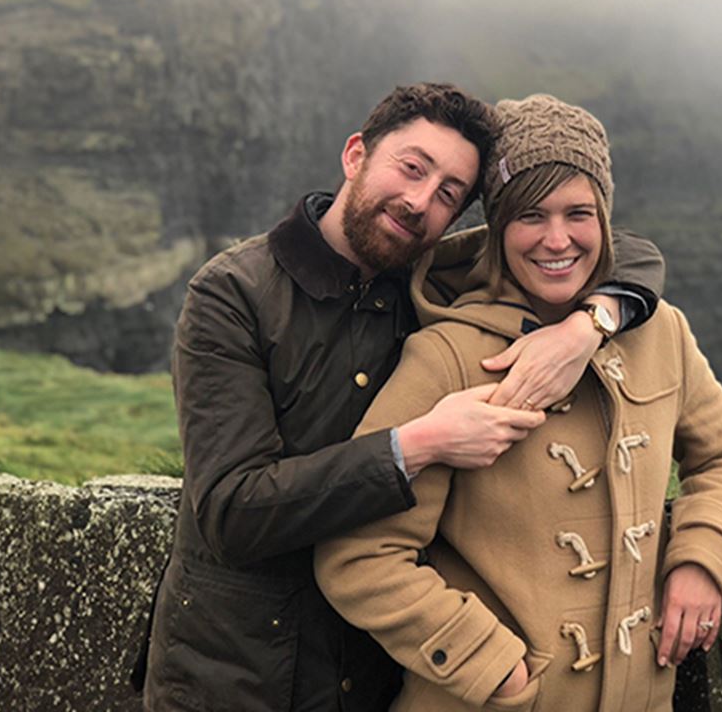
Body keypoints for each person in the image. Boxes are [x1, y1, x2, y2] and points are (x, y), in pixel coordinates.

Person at [139, 84, 667, 712]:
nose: (420, 201)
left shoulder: (424, 280)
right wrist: (418, 444)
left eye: (448, 194)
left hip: (370, 674)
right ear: (355, 154)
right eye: (412, 168)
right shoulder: (233, 295)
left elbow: (617, 248)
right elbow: (231, 512)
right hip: (235, 676)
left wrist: (589, 324)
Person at [314, 94, 722, 711]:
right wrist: (493, 667)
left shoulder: (660, 332)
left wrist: (704, 555)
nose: (558, 240)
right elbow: (356, 554)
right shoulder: (447, 356)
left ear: (604, 218)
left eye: (578, 213)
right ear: (498, 227)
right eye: (531, 215)